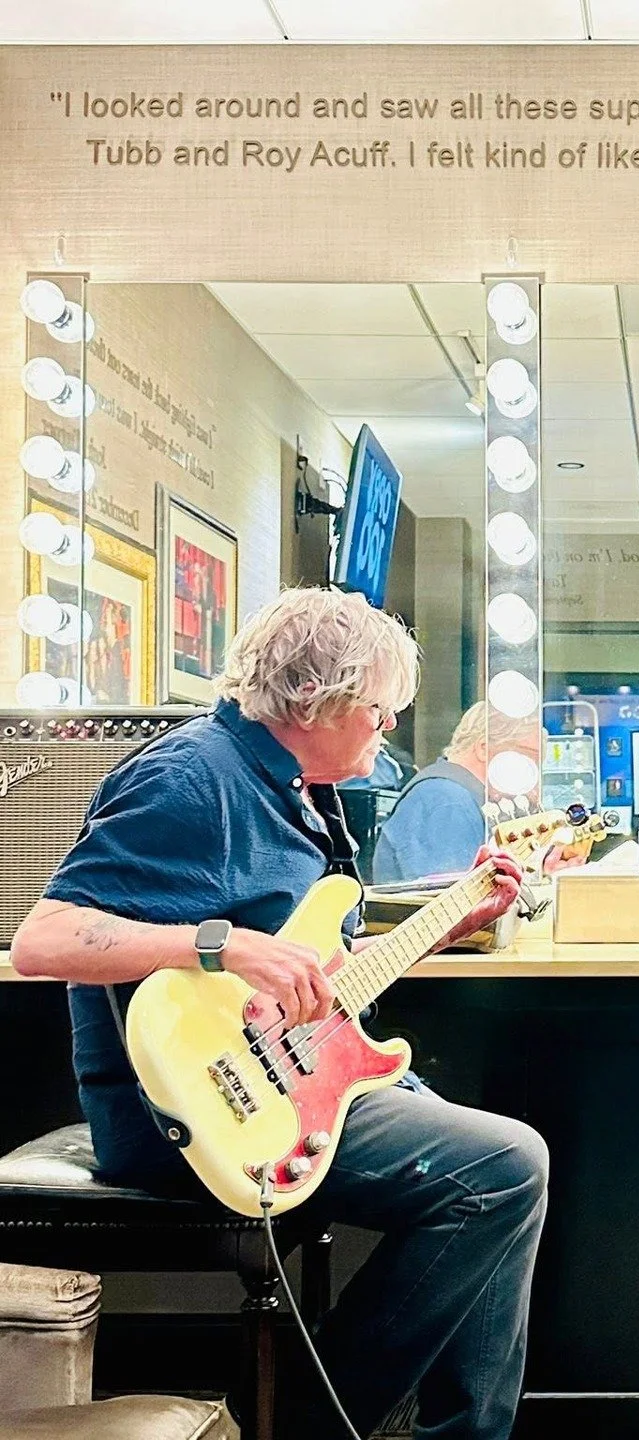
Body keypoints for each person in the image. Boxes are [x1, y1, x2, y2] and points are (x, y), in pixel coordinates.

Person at [10, 587, 547, 1440]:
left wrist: (455, 921)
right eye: (378, 712)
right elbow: (45, 940)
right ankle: (303, 1425)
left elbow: (321, 971)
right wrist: (224, 946)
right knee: (503, 1169)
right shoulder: (188, 778)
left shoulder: (296, 787)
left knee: (508, 1172)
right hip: (190, 1106)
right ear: (319, 702)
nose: (386, 731)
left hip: (286, 1072)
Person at [373, 703, 585, 885]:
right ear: (484, 748)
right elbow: (454, 908)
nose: (535, 774)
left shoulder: (457, 795)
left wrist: (541, 873)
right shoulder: (447, 801)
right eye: (531, 758)